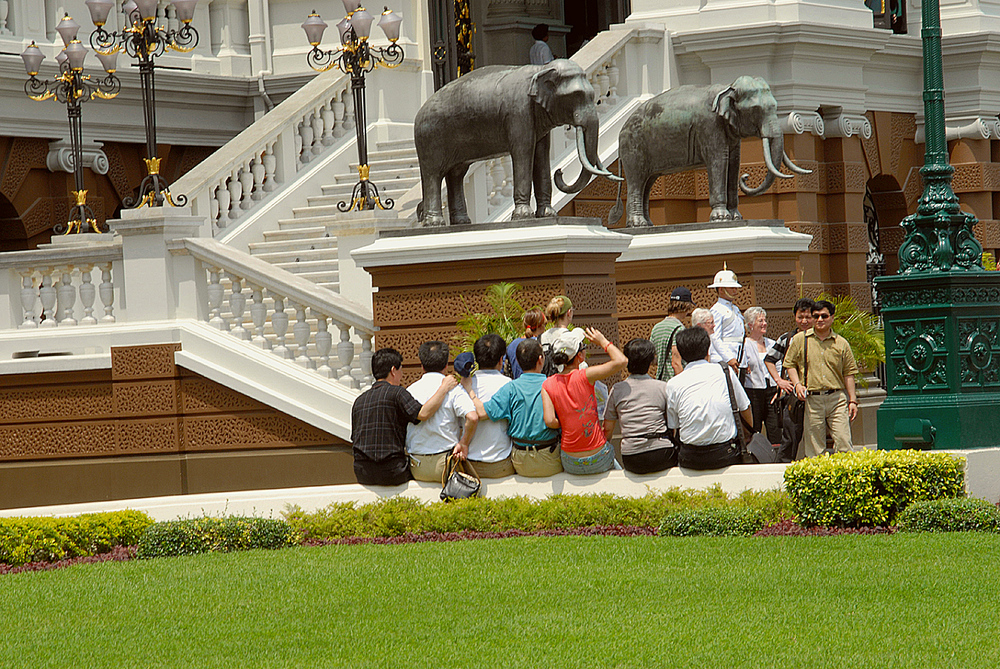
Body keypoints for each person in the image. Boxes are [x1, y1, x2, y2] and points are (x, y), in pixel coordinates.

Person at [351, 348, 458, 486]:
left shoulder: (359, 401)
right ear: (393, 370)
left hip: (363, 473)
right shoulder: (397, 393)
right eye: (401, 370)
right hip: (392, 472)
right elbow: (423, 414)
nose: (401, 375)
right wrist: (444, 388)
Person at [462, 338, 563, 477]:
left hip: (520, 459)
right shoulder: (553, 384)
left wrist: (469, 389)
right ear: (541, 359)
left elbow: (482, 412)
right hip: (549, 455)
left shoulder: (511, 387)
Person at [541, 327, 626, 474]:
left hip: (570, 461)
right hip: (598, 457)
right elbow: (621, 361)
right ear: (579, 356)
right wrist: (603, 341)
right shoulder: (585, 376)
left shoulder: (547, 383)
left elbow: (549, 421)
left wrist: (568, 418)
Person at [666, 327, 752, 470]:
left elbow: (674, 426)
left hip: (690, 457)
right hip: (725, 454)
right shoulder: (725, 372)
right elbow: (745, 407)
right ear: (708, 350)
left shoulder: (673, 384)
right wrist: (747, 437)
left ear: (681, 354)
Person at [783, 299, 860, 459]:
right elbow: (789, 364)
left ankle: (845, 479)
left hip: (837, 398)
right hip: (812, 399)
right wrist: (797, 384)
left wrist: (852, 400)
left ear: (832, 318)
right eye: (816, 316)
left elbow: (849, 373)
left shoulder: (841, 343)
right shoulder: (800, 340)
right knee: (815, 449)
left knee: (844, 442)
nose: (819, 320)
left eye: (824, 316)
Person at [405, 341, 478, 482]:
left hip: (417, 465)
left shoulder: (411, 391)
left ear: (422, 365)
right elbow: (472, 417)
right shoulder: (454, 390)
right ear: (446, 365)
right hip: (446, 465)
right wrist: (464, 443)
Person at [602, 338, 676, 474]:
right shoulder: (662, 387)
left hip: (632, 458)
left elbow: (607, 430)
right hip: (662, 453)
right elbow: (672, 425)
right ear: (650, 362)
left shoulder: (617, 389)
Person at [764, 297, 815, 462]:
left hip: (817, 395)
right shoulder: (786, 338)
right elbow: (769, 359)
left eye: (808, 317)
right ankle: (782, 470)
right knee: (790, 436)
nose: (804, 321)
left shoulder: (821, 339)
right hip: (793, 396)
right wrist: (779, 381)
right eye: (800, 317)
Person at [461, 334, 516, 478]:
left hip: (469, 463)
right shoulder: (508, 384)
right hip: (500, 463)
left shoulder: (464, 385)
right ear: (500, 359)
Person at [742, 306, 781, 444]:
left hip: (772, 391)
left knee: (774, 427)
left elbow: (779, 365)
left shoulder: (771, 343)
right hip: (753, 391)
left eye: (765, 320)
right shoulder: (744, 345)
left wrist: (778, 386)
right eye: (760, 321)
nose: (764, 323)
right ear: (751, 325)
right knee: (755, 428)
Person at [708, 264, 747, 377]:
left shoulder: (735, 309)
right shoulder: (717, 310)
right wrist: (728, 357)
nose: (735, 291)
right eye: (732, 288)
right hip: (725, 359)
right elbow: (715, 337)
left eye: (735, 288)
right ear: (721, 289)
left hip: (739, 356)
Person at [650, 286, 694, 381]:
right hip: (674, 380)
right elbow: (676, 363)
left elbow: (652, 359)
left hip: (661, 381)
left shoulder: (656, 328)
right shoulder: (679, 329)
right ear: (686, 306)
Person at [505, 308, 546, 379]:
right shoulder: (540, 344)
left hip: (516, 385)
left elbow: (505, 369)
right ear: (540, 325)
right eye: (545, 324)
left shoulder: (512, 345)